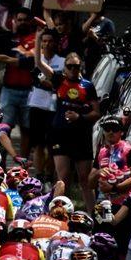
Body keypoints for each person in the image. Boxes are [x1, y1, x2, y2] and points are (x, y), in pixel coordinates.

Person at [35, 33, 101, 212]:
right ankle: (56, 213)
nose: (73, 69)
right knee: (63, 177)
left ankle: (93, 217)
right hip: (61, 133)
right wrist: (39, 37)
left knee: (84, 179)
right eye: (70, 66)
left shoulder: (88, 86)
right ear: (65, 67)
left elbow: (97, 112)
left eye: (76, 66)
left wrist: (80, 117)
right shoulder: (58, 80)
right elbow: (40, 64)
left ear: (81, 67)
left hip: (81, 136)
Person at [0, 8, 36, 156]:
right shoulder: (7, 37)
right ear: (14, 21)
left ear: (31, 21)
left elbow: (11, 60)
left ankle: (22, 163)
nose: (22, 22)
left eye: (25, 19)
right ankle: (2, 162)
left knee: (27, 130)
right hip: (9, 90)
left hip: (31, 92)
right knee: (3, 129)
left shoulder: (38, 39)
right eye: (20, 19)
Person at [26, 29, 63, 177]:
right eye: (44, 41)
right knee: (38, 145)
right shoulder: (36, 60)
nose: (47, 44)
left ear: (56, 43)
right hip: (37, 106)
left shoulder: (62, 61)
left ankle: (49, 176)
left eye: (50, 41)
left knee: (52, 146)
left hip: (54, 109)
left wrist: (51, 84)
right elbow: (37, 79)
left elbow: (58, 84)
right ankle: (39, 176)